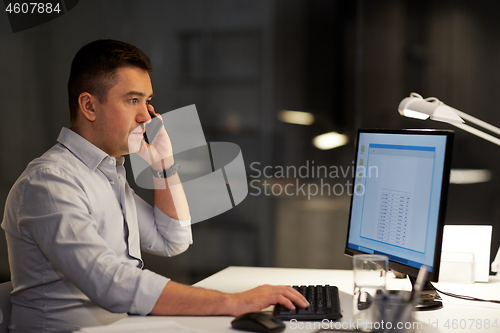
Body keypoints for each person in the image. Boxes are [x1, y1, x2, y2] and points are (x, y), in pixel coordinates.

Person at [1, 39, 308, 333]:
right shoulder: (51, 182)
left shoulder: (107, 175)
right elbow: (111, 283)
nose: (146, 115)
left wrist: (163, 164)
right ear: (89, 106)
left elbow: (172, 240)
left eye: (148, 101)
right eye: (132, 100)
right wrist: (232, 302)